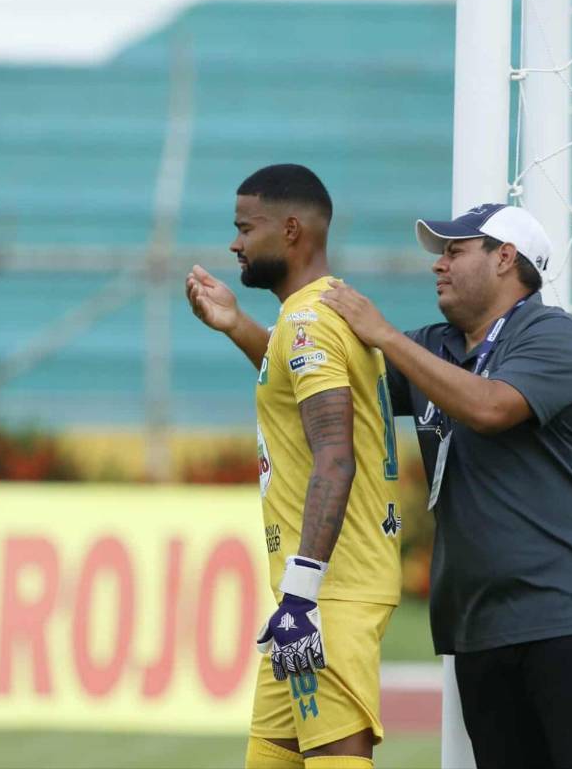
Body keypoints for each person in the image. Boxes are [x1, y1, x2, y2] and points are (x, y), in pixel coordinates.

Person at [318, 203, 572, 769]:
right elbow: (319, 378)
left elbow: (490, 407)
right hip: (480, 629)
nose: (438, 265)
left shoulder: (555, 335)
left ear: (505, 258)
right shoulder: (436, 345)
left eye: (454, 250)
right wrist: (240, 328)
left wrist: (384, 336)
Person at [185, 164, 402, 769]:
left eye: (243, 228)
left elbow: (336, 457)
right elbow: (292, 384)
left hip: (326, 593)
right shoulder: (313, 317)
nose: (234, 243)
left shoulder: (308, 322)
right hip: (311, 591)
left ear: (289, 231)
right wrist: (235, 325)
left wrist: (301, 596)